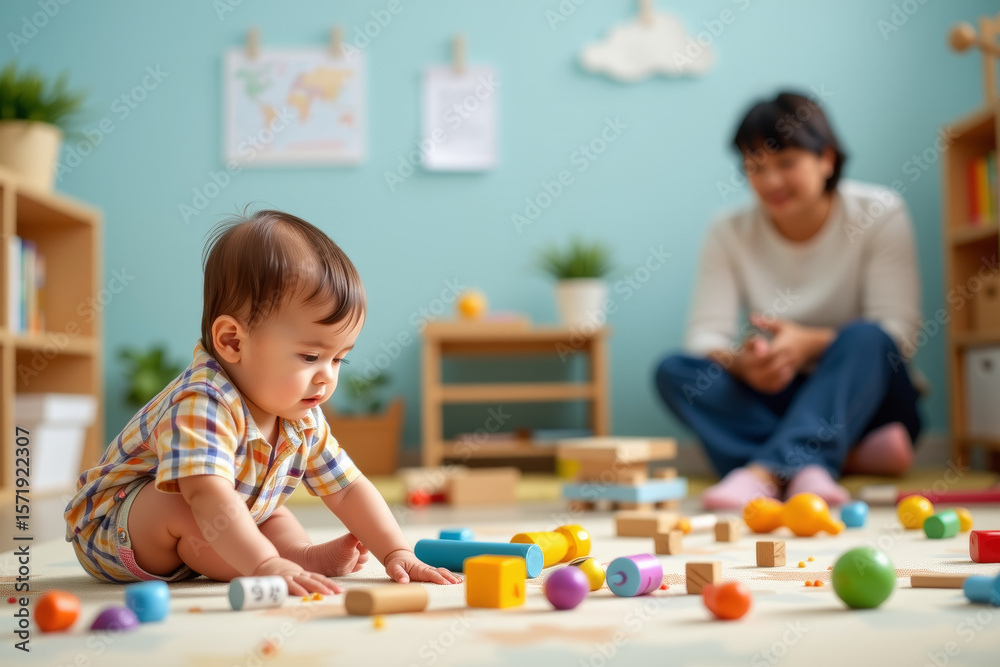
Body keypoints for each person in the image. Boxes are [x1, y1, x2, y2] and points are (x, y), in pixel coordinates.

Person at [65, 210, 460, 593]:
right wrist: (263, 564)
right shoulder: (202, 400)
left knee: (270, 511)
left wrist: (396, 551)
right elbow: (207, 497)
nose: (327, 375)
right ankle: (269, 563)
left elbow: (348, 488)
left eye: (339, 358)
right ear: (233, 342)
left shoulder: (301, 416)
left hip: (211, 529)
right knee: (196, 502)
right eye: (310, 357)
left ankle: (299, 557)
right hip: (116, 532)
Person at [654, 91, 923, 510]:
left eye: (786, 163)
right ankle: (836, 459)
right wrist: (744, 364)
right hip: (782, 390)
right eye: (756, 167)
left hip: (866, 396)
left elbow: (898, 335)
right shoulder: (728, 230)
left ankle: (763, 473)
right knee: (674, 370)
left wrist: (809, 343)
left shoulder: (880, 211)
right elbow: (704, 337)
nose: (771, 182)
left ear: (827, 159)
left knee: (868, 337)